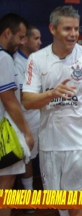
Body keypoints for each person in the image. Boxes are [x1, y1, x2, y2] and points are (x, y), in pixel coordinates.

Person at [22, 6, 82, 216]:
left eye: (76, 29)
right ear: (53, 29)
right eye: (67, 29)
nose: (73, 34)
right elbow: (27, 100)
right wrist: (51, 94)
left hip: (80, 143)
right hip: (50, 143)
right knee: (60, 205)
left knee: (75, 203)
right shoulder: (37, 59)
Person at [0, 13, 34, 216]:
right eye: (21, 37)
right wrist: (26, 132)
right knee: (5, 185)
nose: (22, 42)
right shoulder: (3, 58)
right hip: (4, 134)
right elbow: (9, 100)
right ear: (7, 33)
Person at [14, 24, 42, 213]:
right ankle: (29, 198)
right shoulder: (17, 62)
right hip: (27, 116)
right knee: (27, 158)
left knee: (39, 154)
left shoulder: (35, 60)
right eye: (36, 39)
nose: (40, 42)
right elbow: (26, 95)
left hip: (39, 114)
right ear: (25, 40)